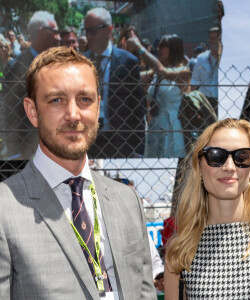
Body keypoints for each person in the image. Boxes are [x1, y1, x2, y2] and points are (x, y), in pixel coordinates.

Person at [0, 46, 156, 299]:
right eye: (56, 100)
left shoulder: (128, 202)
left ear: (98, 107)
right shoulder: (4, 208)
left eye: (84, 99)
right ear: (32, 111)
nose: (73, 115)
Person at [164, 118, 250, 299]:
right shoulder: (180, 250)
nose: (229, 167)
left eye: (242, 157)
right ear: (200, 167)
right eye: (216, 156)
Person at [84, 8, 145, 158]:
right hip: (88, 139)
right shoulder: (81, 62)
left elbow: (137, 107)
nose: (88, 37)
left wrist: (138, 148)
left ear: (109, 30)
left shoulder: (128, 61)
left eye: (93, 31)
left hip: (119, 139)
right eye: (86, 31)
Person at [3, 11, 61, 162]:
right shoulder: (16, 67)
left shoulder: (62, 65)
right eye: (55, 32)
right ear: (42, 32)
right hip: (26, 149)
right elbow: (10, 112)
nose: (59, 37)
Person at [127, 34, 190, 158]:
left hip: (171, 129)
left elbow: (163, 72)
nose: (158, 49)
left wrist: (140, 48)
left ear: (173, 49)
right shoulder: (155, 73)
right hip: (154, 127)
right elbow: (133, 77)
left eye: (163, 46)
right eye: (158, 45)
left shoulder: (183, 72)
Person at [191, 27, 219, 116]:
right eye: (210, 38)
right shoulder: (201, 58)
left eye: (214, 38)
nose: (211, 41)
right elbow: (194, 81)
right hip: (204, 100)